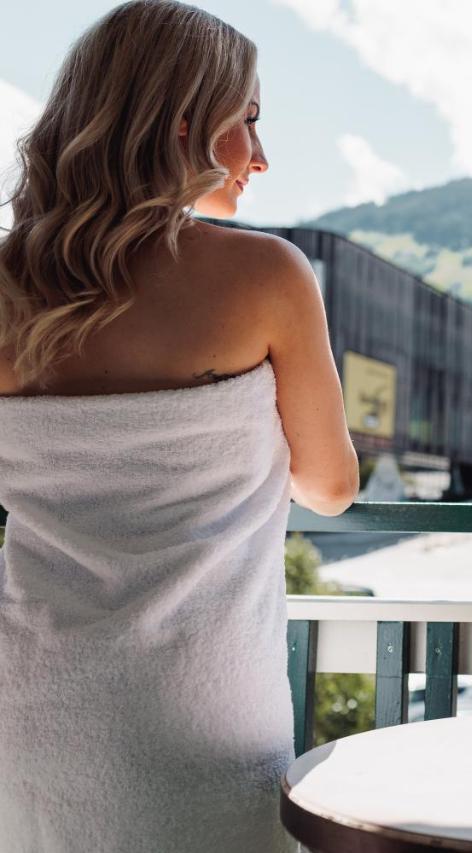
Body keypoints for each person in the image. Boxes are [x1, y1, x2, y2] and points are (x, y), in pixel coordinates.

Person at [0, 2, 359, 850]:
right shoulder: (265, 275)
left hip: (28, 706)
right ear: (184, 122)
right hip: (202, 714)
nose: (261, 157)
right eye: (250, 121)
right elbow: (332, 487)